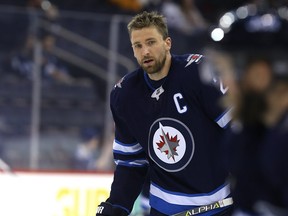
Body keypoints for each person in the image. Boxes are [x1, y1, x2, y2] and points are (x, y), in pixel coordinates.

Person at [96, 11, 233, 216]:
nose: (145, 51)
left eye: (151, 42)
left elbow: (243, 133)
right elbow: (131, 163)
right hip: (164, 208)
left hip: (220, 205)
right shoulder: (124, 96)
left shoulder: (199, 75)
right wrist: (116, 205)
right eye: (138, 46)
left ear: (167, 43)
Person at [207, 3, 288, 215]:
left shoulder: (280, 149)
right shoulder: (246, 138)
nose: (223, 83)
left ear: (259, 75)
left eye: (226, 71)